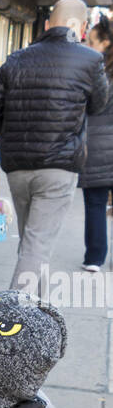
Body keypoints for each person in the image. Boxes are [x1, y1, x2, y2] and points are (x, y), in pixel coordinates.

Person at [0, 0, 109, 296]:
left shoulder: (16, 58)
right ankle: (11, 318)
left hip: (19, 166)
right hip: (59, 166)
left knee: (32, 245)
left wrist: (10, 136)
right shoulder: (90, 61)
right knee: (36, 246)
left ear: (49, 24)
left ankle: (38, 310)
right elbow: (99, 104)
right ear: (81, 26)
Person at [80, 14, 113, 271]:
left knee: (95, 202)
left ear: (105, 42)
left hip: (96, 147)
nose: (87, 46)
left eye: (91, 41)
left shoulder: (93, 71)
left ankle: (94, 257)